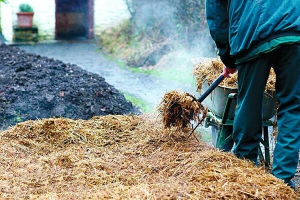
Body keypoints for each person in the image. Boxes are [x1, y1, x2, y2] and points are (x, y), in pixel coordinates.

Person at [205, 0, 300, 190]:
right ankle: (282, 181)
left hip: (251, 32)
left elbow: (216, 14)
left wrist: (228, 57)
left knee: (249, 102)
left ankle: (244, 169)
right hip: (293, 29)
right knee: (292, 106)